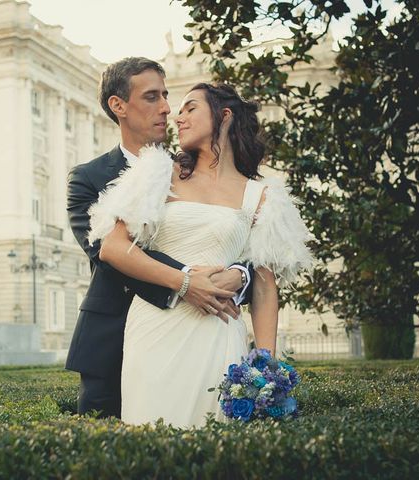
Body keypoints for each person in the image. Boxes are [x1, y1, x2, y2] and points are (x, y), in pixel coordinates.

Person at [94, 83, 313, 427]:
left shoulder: (262, 196)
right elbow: (114, 248)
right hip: (155, 328)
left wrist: (264, 368)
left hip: (220, 332)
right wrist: (184, 282)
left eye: (190, 108)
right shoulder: (158, 174)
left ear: (223, 116)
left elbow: (265, 287)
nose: (177, 118)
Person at [65, 58, 254, 419]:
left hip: (199, 331)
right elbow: (109, 253)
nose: (167, 108)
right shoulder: (87, 179)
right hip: (111, 335)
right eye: (152, 97)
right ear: (118, 106)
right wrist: (189, 281)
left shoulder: (187, 171)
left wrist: (239, 275)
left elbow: (227, 233)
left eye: (166, 96)